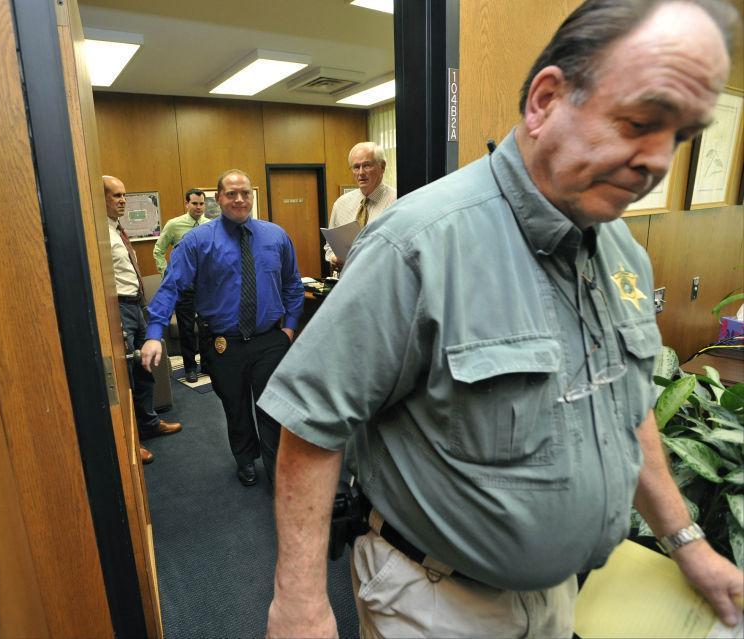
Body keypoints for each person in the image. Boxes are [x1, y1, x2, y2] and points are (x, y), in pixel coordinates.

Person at [258, 1, 744, 637]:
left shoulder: (621, 249)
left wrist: (687, 542)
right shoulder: (419, 244)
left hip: (560, 595)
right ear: (545, 100)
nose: (657, 160)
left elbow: (630, 413)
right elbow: (312, 425)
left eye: (676, 136)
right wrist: (298, 601)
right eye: (639, 122)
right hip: (434, 600)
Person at [140, 169, 304, 487]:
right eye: (231, 193)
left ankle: (278, 471)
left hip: (270, 339)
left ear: (252, 197)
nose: (239, 199)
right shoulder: (197, 242)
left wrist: (290, 328)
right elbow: (171, 285)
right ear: (219, 198)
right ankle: (245, 459)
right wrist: (154, 333)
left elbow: (292, 285)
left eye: (245, 193)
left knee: (274, 410)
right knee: (236, 406)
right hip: (223, 344)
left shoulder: (276, 236)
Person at [103, 175, 183, 465]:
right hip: (118, 308)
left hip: (136, 306)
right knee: (124, 377)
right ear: (100, 199)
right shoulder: (98, 234)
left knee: (145, 366)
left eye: (124, 195)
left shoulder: (117, 231)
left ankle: (149, 423)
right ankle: (130, 441)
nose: (122, 200)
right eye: (115, 196)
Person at [153, 188, 210, 382]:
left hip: (206, 287)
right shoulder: (174, 225)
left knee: (206, 326)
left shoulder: (210, 226)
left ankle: (207, 364)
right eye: (194, 203)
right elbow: (158, 250)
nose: (198, 207)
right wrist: (167, 274)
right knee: (186, 329)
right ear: (186, 204)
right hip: (185, 287)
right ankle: (190, 368)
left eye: (201, 203)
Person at [323, 142, 396, 271]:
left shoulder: (397, 202)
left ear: (382, 167)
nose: (361, 172)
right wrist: (334, 258)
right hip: (348, 281)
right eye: (356, 167)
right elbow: (330, 246)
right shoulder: (341, 204)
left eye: (367, 165)